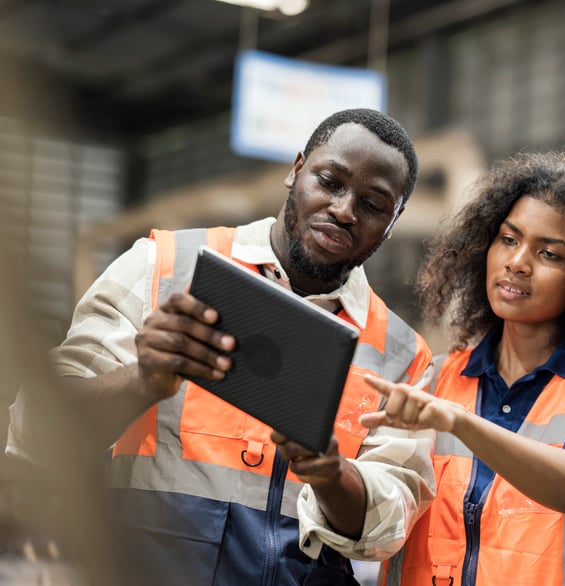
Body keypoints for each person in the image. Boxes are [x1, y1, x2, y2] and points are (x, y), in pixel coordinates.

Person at [6, 108, 436, 586]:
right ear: (296, 170)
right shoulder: (164, 269)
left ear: (393, 222)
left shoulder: (402, 355)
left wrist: (332, 474)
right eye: (330, 181)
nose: (344, 210)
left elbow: (389, 527)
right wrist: (143, 378)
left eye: (374, 205)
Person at [359, 151, 565, 586]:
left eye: (550, 254)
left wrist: (460, 422)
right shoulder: (435, 377)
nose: (517, 262)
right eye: (508, 239)